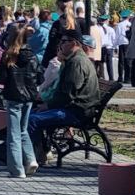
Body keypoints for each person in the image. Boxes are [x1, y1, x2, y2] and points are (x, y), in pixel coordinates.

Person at [29, 30, 101, 163]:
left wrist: (48, 105)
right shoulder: (73, 60)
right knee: (30, 113)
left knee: (32, 119)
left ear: (74, 43)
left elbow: (68, 94)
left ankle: (36, 155)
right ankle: (40, 151)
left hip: (78, 112)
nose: (60, 45)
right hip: (74, 108)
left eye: (63, 41)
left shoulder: (77, 63)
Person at [0, 25, 41, 179]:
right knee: (23, 130)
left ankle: (17, 169)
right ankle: (31, 158)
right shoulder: (32, 56)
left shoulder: (9, 56)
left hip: (13, 97)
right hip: (29, 97)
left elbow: (0, 78)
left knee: (13, 134)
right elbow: (39, 77)